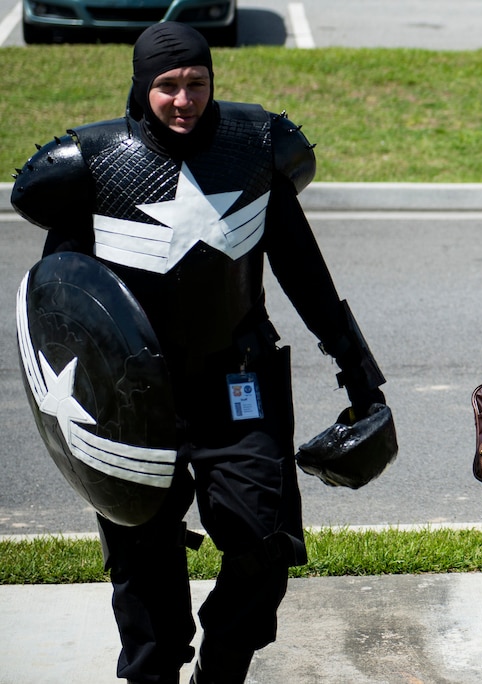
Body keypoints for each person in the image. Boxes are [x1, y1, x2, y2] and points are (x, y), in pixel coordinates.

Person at [12, 22, 391, 684]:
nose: (183, 99)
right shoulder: (93, 167)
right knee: (144, 571)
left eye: (196, 83)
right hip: (130, 405)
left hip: (239, 388)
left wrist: (359, 374)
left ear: (212, 80)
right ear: (142, 86)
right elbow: (63, 301)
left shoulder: (252, 150)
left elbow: (305, 274)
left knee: (264, 547)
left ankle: (221, 669)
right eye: (166, 86)